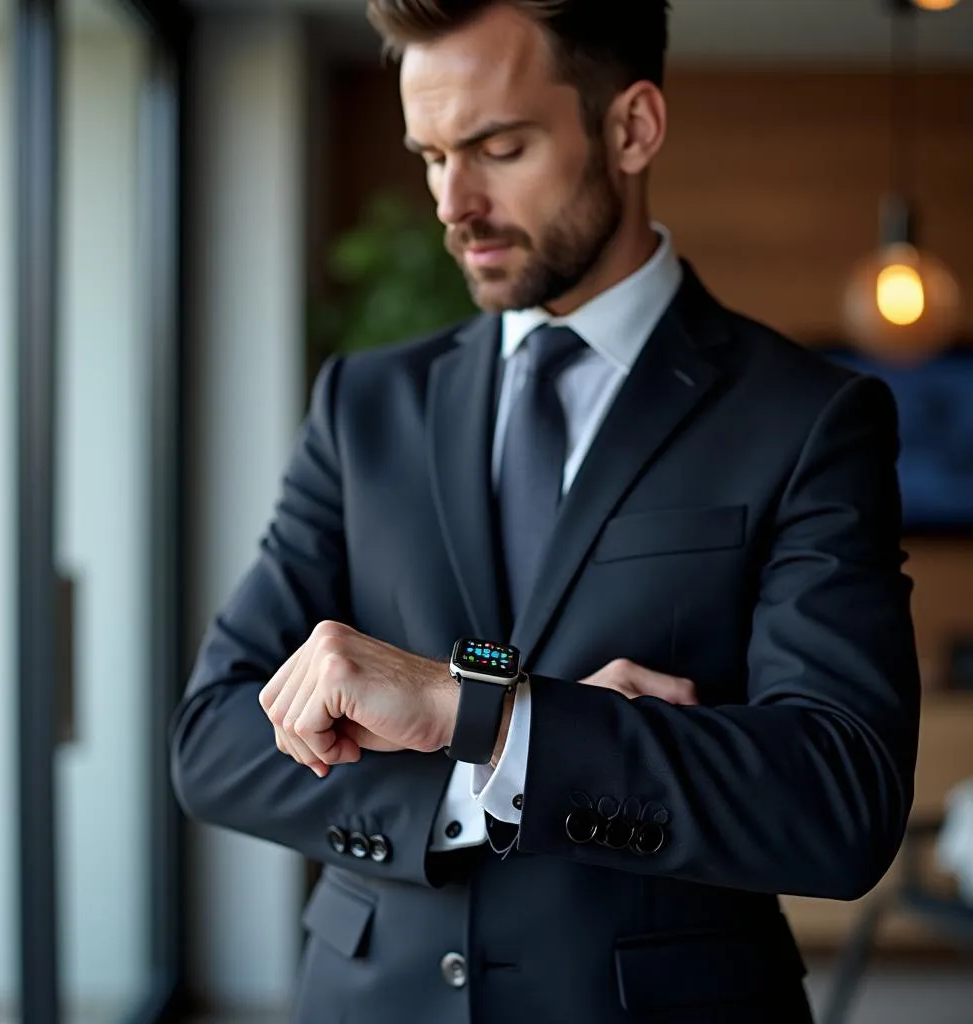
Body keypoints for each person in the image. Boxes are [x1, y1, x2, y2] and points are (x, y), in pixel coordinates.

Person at [169, 2, 921, 1021]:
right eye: (431, 156)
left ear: (631, 128)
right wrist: (501, 758)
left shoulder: (809, 418)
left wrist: (473, 710)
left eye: (497, 147)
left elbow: (837, 801)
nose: (452, 203)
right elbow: (215, 739)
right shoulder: (364, 405)